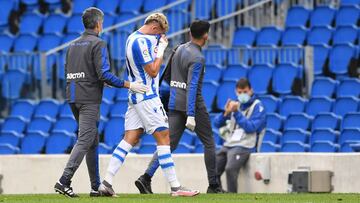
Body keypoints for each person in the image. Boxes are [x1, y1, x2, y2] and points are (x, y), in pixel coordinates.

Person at [98, 13, 199, 197]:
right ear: (153, 27)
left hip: (135, 95)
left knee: (130, 138)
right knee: (164, 138)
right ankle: (176, 188)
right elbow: (153, 71)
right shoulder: (141, 42)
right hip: (147, 96)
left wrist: (158, 44)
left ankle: (106, 183)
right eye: (158, 34)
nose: (158, 38)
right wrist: (161, 50)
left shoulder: (132, 38)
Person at [53, 7, 148, 198]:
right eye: (102, 23)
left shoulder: (72, 45)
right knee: (86, 139)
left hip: (73, 96)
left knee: (93, 141)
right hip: (89, 99)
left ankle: (96, 187)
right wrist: (129, 84)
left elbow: (68, 72)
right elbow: (103, 73)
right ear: (98, 24)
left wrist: (98, 81)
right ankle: (64, 181)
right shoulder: (99, 44)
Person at [135, 20, 223, 194]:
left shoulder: (178, 49)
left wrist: (176, 90)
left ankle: (146, 177)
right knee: (209, 143)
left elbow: (166, 76)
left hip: (175, 103)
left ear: (190, 33)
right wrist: (191, 114)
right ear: (206, 35)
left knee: (167, 145)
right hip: (193, 106)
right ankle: (213, 186)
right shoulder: (198, 57)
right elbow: (192, 86)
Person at [214, 78, 266, 193]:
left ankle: (232, 197)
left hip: (246, 145)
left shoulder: (258, 107)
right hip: (230, 143)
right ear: (236, 92)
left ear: (251, 90)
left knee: (230, 168)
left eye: (245, 92)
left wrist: (236, 113)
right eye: (239, 92)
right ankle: (218, 194)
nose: (242, 95)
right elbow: (216, 123)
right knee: (214, 167)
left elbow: (251, 127)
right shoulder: (234, 105)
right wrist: (225, 113)